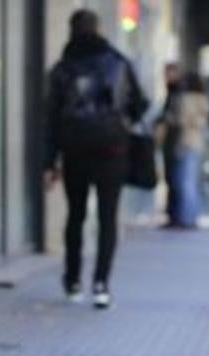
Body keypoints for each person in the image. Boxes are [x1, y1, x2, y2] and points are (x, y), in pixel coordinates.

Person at [45, 9, 149, 309]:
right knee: (107, 218)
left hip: (75, 152)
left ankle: (73, 279)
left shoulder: (62, 69)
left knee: (75, 215)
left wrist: (48, 163)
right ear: (98, 29)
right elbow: (139, 105)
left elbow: (50, 120)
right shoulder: (118, 63)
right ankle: (101, 284)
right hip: (111, 151)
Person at [168, 72, 209, 229]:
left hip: (185, 143)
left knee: (184, 183)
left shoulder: (185, 99)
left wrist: (171, 119)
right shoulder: (204, 99)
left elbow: (181, 120)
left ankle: (185, 218)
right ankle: (191, 216)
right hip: (197, 143)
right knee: (191, 182)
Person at [158, 62, 184, 228]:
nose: (167, 77)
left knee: (175, 180)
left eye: (170, 73)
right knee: (170, 179)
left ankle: (176, 216)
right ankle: (172, 215)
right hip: (170, 141)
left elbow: (176, 118)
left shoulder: (178, 92)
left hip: (176, 141)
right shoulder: (171, 91)